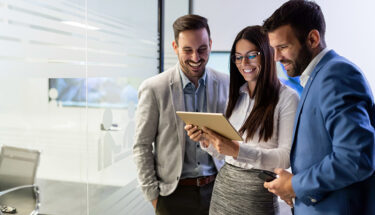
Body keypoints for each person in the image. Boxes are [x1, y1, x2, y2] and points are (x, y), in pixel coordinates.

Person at [262, 1, 375, 214]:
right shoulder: (317, 77)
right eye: (273, 49)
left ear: (313, 39)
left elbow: (356, 158)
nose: (276, 58)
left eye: (283, 47)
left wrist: (294, 185)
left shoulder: (336, 75)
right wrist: (295, 190)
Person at [185, 25, 299, 215]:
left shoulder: (287, 98)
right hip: (223, 191)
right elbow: (225, 154)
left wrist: (238, 150)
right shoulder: (236, 95)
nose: (243, 62)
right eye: (238, 57)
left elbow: (285, 158)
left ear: (268, 53)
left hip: (256, 196)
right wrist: (207, 141)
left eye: (251, 55)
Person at [132, 14, 229, 215]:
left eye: (202, 49)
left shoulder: (226, 84)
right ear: (175, 47)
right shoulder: (154, 88)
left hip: (218, 191)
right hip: (172, 196)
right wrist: (153, 197)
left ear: (210, 44)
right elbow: (141, 146)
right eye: (187, 50)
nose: (196, 58)